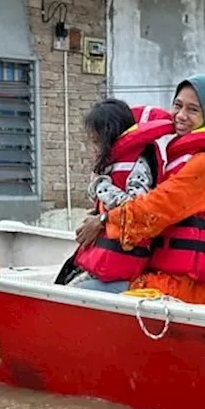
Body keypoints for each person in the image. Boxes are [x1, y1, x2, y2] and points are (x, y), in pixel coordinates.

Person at [74, 74, 205, 305]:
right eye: (177, 105)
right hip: (164, 276)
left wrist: (103, 221)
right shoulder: (186, 159)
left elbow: (152, 211)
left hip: (186, 287)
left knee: (80, 293)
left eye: (193, 110)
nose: (181, 115)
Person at [59, 99, 174, 291]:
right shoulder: (116, 163)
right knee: (63, 284)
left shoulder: (139, 163)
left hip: (123, 271)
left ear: (110, 136)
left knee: (72, 293)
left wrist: (101, 189)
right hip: (106, 265)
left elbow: (137, 207)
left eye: (96, 142)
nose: (92, 149)